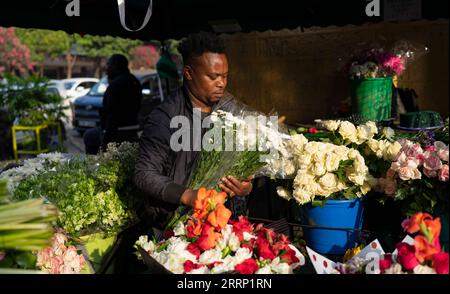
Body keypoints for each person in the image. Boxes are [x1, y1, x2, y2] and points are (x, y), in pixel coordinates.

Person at [133, 32, 254, 231]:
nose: (221, 83)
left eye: (225, 76)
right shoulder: (165, 117)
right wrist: (188, 195)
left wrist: (245, 187)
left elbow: (246, 165)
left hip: (227, 221)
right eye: (213, 77)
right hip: (177, 225)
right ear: (188, 73)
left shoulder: (231, 108)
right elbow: (144, 173)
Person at [83, 54, 142, 154]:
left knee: (88, 136)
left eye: (108, 65)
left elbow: (112, 116)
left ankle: (94, 166)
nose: (106, 69)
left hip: (118, 131)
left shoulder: (116, 85)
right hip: (133, 128)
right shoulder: (134, 81)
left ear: (115, 66)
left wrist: (105, 141)